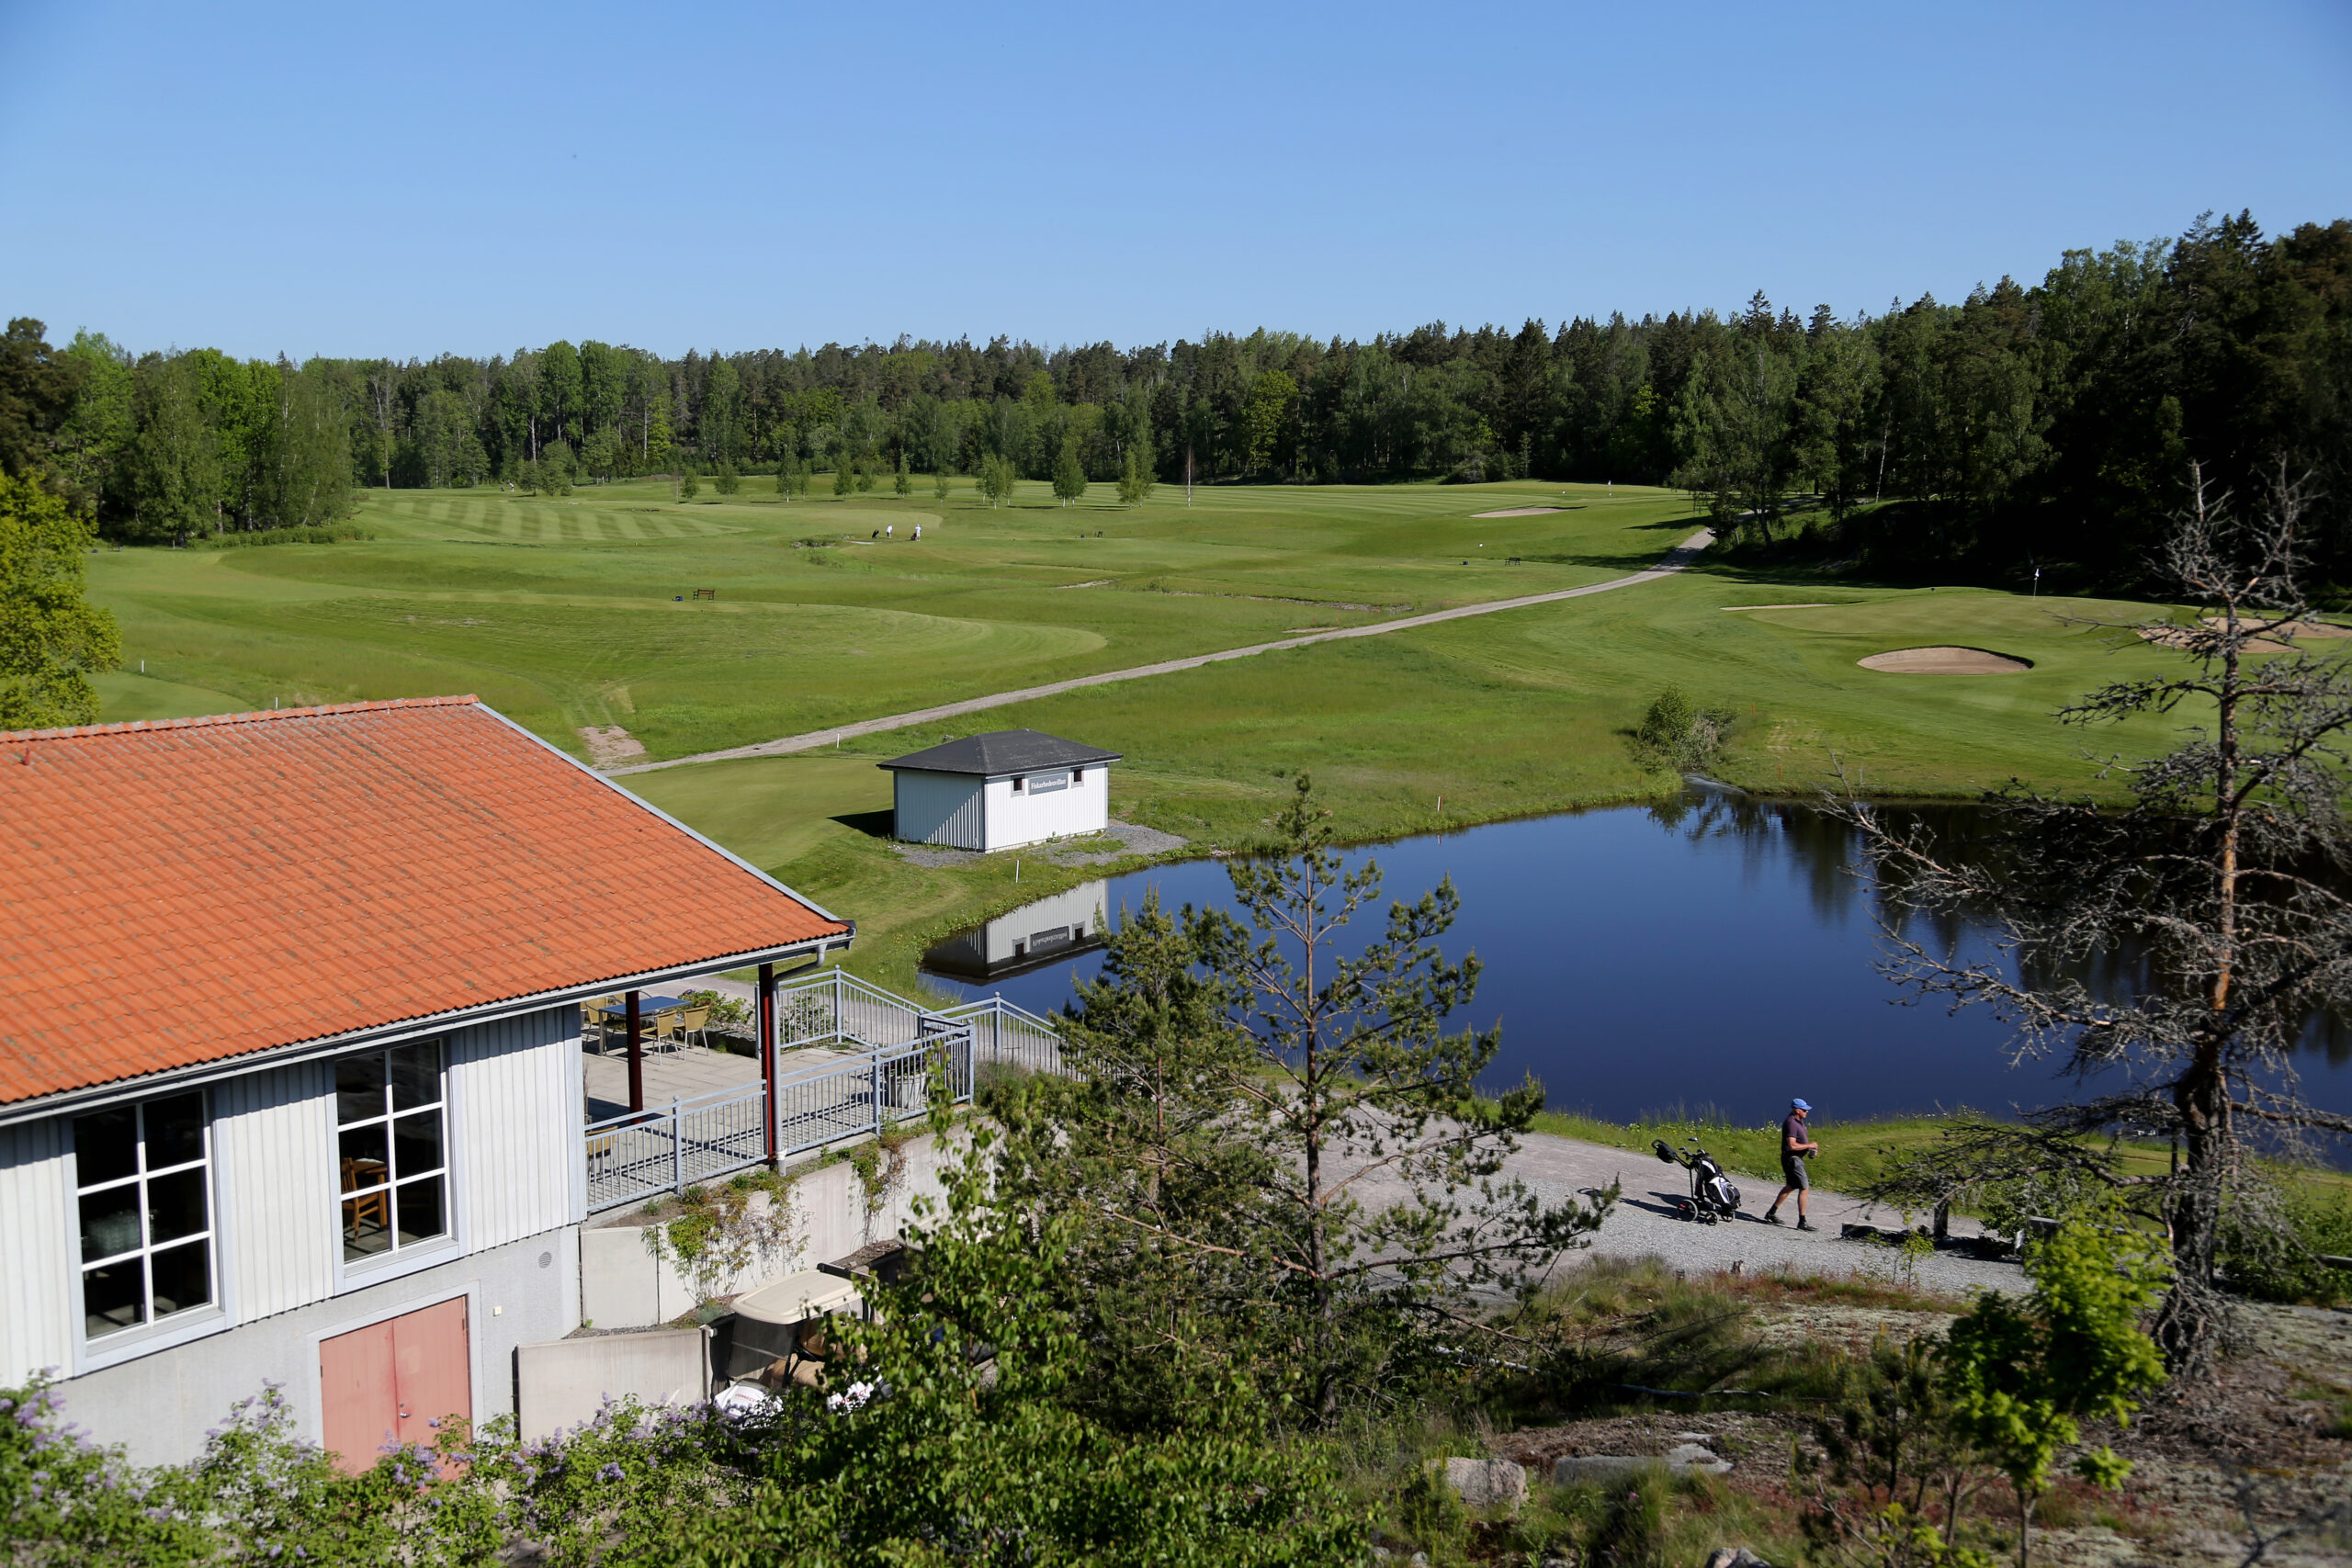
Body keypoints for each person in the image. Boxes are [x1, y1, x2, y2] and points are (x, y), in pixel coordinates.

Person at [1762, 1098, 1819, 1229]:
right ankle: (1802, 1222)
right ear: (1797, 1110)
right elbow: (1792, 1145)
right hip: (1793, 1160)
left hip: (1796, 1159)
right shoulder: (1791, 1123)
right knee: (1804, 1188)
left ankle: (1771, 1213)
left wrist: (1810, 1149)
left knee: (1790, 1186)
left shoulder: (1799, 1122)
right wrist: (1809, 1145)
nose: (1807, 1112)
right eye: (1804, 1110)